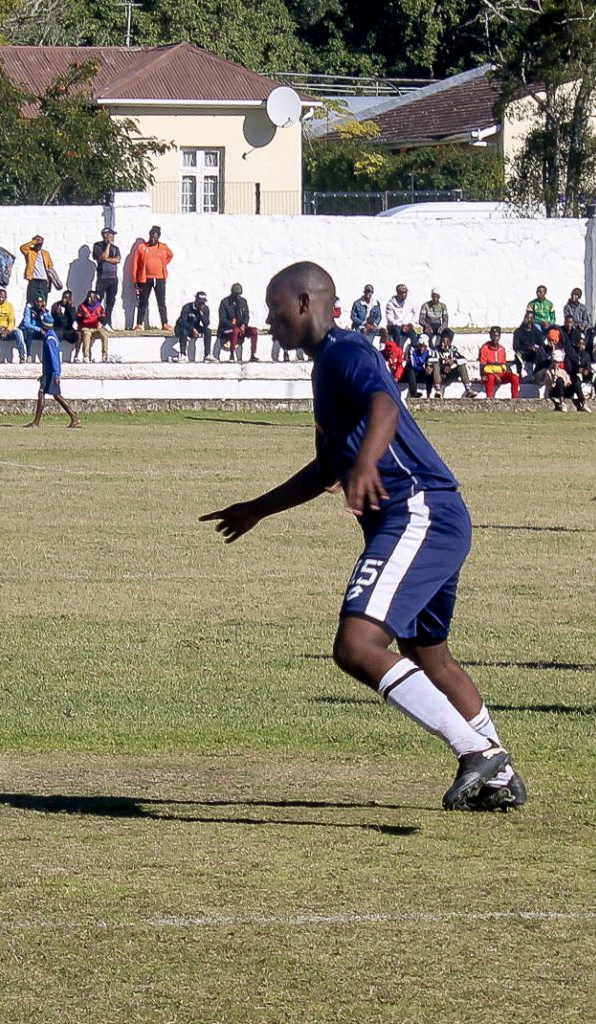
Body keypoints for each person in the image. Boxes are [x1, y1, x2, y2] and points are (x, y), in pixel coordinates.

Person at [201, 260, 524, 813]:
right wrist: (257, 509)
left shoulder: (344, 351)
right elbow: (327, 466)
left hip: (417, 512)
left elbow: (383, 404)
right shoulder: (325, 367)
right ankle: (501, 776)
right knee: (430, 657)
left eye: (274, 307)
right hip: (433, 515)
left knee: (356, 647)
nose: (269, 319)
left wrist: (369, 462)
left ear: (305, 303)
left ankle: (477, 751)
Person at [26, 328, 81, 429]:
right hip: (48, 372)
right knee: (54, 395)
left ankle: (36, 422)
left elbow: (54, 358)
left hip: (51, 373)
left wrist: (56, 374)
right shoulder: (51, 337)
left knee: (45, 394)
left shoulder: (50, 338)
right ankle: (74, 417)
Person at [130, 225, 173, 331]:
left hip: (159, 278)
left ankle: (164, 323)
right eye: (151, 237)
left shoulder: (163, 247)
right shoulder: (142, 247)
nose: (153, 239)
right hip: (145, 279)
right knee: (143, 301)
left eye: (155, 237)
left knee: (161, 302)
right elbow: (136, 263)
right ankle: (139, 324)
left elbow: (170, 255)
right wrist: (135, 279)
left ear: (158, 237)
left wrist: (163, 265)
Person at [217, 283, 259, 362]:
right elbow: (223, 319)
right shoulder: (224, 302)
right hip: (227, 329)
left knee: (254, 331)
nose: (237, 296)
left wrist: (243, 324)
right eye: (236, 294)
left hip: (240, 327)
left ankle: (253, 354)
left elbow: (246, 315)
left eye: (239, 294)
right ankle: (232, 354)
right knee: (235, 330)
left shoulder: (243, 302)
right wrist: (232, 324)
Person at [478, 326, 521, 401]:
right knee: (491, 377)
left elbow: (503, 364)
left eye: (497, 336)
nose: (495, 338)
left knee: (515, 377)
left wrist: (507, 370)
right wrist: (495, 375)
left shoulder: (502, 349)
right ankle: (490, 398)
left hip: (500, 374)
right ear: (490, 336)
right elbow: (483, 367)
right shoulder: (484, 348)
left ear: (499, 336)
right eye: (493, 336)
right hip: (488, 375)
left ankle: (515, 399)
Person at [430, 329, 475, 398]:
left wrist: (453, 362)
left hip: (451, 373)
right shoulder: (436, 350)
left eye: (445, 342)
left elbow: (464, 360)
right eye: (442, 341)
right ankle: (438, 390)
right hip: (440, 374)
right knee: (435, 364)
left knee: (461, 365)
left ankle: (468, 389)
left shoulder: (453, 350)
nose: (442, 344)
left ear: (450, 342)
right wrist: (443, 366)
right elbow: (430, 360)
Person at [20, 235, 58, 307]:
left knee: (43, 302)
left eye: (40, 244)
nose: (39, 245)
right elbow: (22, 248)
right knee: (30, 302)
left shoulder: (45, 253)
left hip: (44, 281)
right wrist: (34, 242)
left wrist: (50, 278)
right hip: (33, 280)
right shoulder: (30, 252)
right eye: (37, 243)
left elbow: (50, 265)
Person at [90, 228, 121, 317]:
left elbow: (118, 260)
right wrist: (108, 245)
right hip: (102, 278)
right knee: (97, 300)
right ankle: (94, 319)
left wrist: (107, 259)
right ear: (106, 235)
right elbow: (103, 257)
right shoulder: (98, 246)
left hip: (113, 278)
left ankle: (107, 321)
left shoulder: (115, 248)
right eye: (111, 235)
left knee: (110, 301)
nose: (113, 237)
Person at [174, 291, 212, 362]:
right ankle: (182, 354)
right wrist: (192, 329)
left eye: (203, 303)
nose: (201, 305)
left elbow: (206, 324)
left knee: (208, 331)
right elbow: (183, 322)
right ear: (196, 300)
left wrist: (202, 314)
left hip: (196, 327)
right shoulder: (187, 307)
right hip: (184, 327)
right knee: (184, 331)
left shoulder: (205, 309)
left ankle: (207, 354)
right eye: (200, 303)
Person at [76, 290, 110, 363]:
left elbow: (104, 319)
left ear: (95, 298)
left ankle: (104, 355)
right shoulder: (82, 306)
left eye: (91, 297)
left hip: (96, 327)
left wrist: (100, 317)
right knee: (87, 334)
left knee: (104, 333)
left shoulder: (99, 307)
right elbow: (78, 320)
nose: (89, 299)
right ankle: (86, 356)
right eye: (88, 297)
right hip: (85, 327)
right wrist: (83, 317)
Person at [512, 309, 544, 380]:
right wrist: (527, 347)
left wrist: (536, 348)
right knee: (518, 355)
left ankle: (538, 376)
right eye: (527, 318)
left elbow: (541, 344)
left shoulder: (536, 332)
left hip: (534, 354)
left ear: (533, 320)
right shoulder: (518, 332)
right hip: (523, 354)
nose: (528, 320)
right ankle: (519, 375)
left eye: (530, 318)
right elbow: (515, 347)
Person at [20, 294, 53, 363]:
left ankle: (47, 355)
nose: (39, 304)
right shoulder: (29, 309)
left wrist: (44, 312)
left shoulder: (45, 311)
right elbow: (26, 323)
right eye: (37, 302)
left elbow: (50, 322)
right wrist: (39, 329)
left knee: (49, 334)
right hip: (33, 329)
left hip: (42, 330)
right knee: (29, 332)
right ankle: (28, 355)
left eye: (41, 302)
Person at [385, 283, 417, 350]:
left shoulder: (409, 302)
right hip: (393, 326)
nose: (404, 295)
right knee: (397, 331)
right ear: (398, 293)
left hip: (405, 326)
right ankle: (398, 350)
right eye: (402, 293)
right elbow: (389, 318)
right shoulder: (391, 303)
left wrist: (410, 324)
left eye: (405, 293)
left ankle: (413, 350)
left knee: (413, 332)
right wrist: (400, 325)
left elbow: (415, 312)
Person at [51, 290, 80, 362]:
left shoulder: (71, 307)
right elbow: (60, 321)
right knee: (57, 334)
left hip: (67, 330)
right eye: (63, 297)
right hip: (58, 328)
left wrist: (71, 309)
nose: (64, 299)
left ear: (70, 299)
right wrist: (58, 313)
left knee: (78, 334)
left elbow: (74, 319)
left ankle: (76, 356)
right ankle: (55, 356)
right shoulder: (56, 306)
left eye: (66, 298)